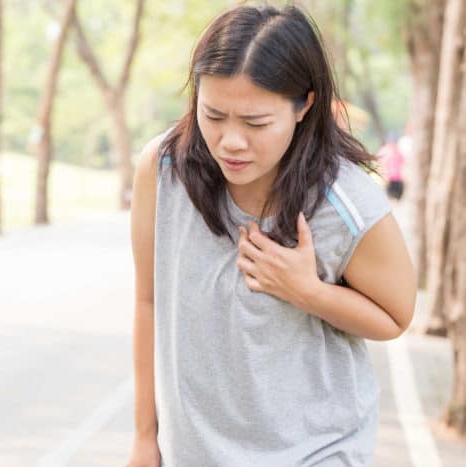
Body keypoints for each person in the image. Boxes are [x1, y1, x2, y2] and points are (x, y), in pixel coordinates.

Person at [127, 5, 417, 467]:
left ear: (304, 105)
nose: (230, 142)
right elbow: (148, 301)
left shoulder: (345, 202)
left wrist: (308, 292)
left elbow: (395, 315)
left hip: (316, 452)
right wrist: (146, 437)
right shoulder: (163, 172)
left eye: (255, 123)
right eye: (214, 115)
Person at [377, 133, 406, 201]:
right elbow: (380, 165)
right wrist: (384, 177)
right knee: (389, 199)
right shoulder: (384, 151)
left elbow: (403, 164)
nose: (393, 143)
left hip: (398, 179)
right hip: (388, 179)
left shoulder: (398, 152)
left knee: (397, 199)